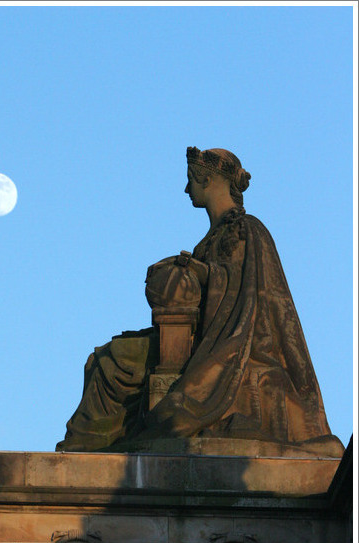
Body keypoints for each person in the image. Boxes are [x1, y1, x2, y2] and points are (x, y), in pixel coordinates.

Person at [56, 147, 342, 456]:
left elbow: (249, 291)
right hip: (201, 334)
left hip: (232, 342)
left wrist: (200, 272)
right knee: (103, 360)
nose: (186, 189)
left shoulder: (248, 229)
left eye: (190, 180)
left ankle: (86, 448)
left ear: (205, 179)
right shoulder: (211, 238)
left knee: (113, 360)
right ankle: (87, 447)